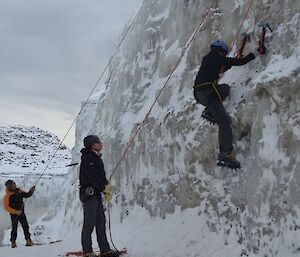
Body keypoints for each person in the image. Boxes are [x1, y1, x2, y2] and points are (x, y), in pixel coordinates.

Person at [193, 40, 256, 169]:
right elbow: (233, 62)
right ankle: (225, 154)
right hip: (207, 92)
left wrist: (230, 63)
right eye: (224, 53)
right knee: (225, 121)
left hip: (201, 92)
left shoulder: (209, 59)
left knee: (225, 89)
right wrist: (252, 55)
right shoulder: (216, 58)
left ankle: (209, 112)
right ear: (220, 51)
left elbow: (223, 66)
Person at [79, 135, 118, 257]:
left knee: (101, 222)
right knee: (89, 223)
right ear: (92, 144)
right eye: (98, 142)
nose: (100, 144)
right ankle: (87, 251)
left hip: (95, 195)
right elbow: (93, 177)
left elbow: (98, 177)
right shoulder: (88, 159)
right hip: (90, 195)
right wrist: (103, 187)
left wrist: (105, 183)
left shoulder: (95, 158)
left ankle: (104, 250)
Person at [3, 180, 35, 248]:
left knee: (25, 226)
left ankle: (28, 241)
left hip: (21, 213)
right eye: (13, 184)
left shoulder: (19, 191)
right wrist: (15, 212)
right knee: (14, 228)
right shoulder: (7, 196)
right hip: (14, 214)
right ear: (9, 186)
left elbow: (27, 195)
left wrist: (31, 191)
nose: (15, 184)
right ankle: (13, 242)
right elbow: (6, 207)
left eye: (14, 183)